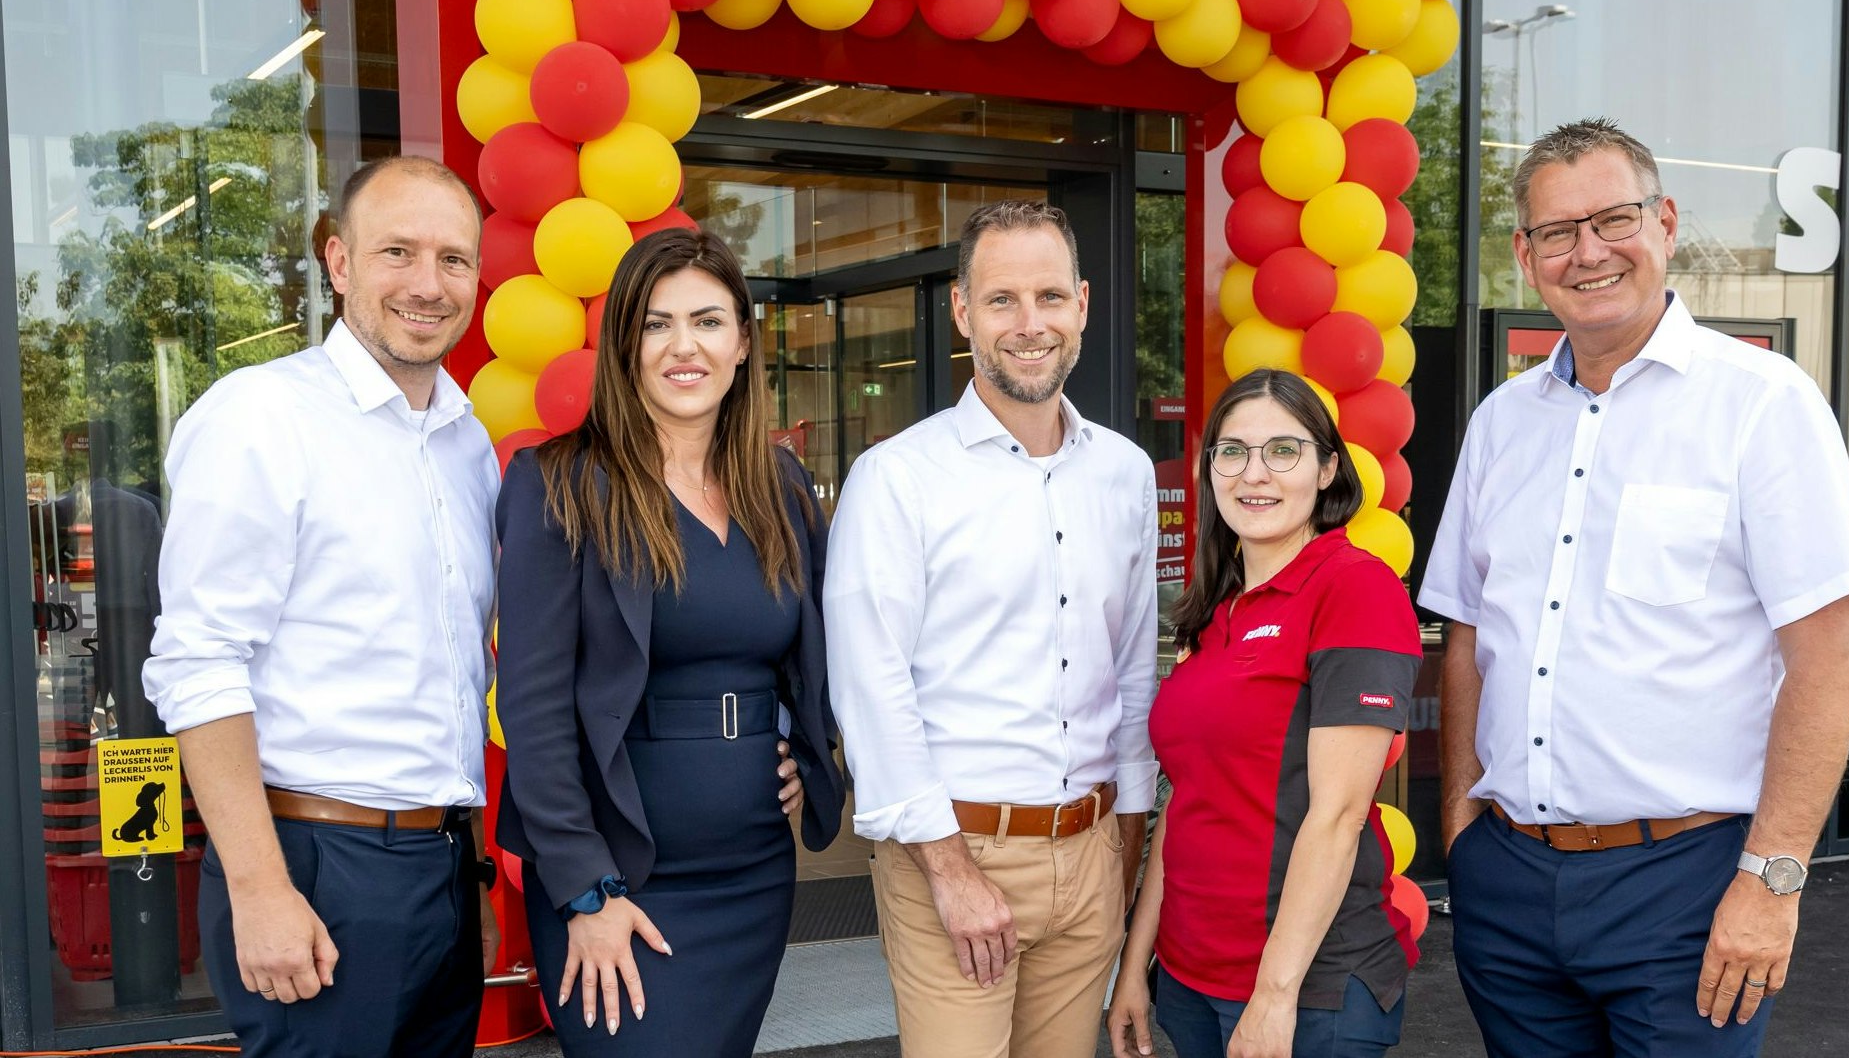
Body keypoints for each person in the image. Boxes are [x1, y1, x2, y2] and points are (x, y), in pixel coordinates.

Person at [1420, 118, 1849, 1058]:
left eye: (1613, 219)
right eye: (1557, 231)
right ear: (1525, 256)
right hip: (1508, 882)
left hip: (1686, 881)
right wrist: (1462, 829)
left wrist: (1772, 879)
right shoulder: (1500, 422)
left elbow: (1831, 656)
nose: (1588, 252)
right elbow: (1468, 636)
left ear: (1664, 223)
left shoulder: (1761, 402)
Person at [143, 155, 502, 1057]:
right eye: (397, 252)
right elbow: (198, 660)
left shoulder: (466, 444)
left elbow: (462, 671)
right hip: (312, 865)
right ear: (339, 262)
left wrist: (463, 870)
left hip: (442, 866)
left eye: (453, 259)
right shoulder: (262, 416)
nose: (428, 284)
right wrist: (261, 888)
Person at [492, 226, 844, 1055]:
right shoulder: (559, 483)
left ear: (742, 342)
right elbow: (533, 709)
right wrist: (584, 890)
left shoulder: (782, 485)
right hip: (619, 881)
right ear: (624, 343)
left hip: (752, 872)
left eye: (707, 321)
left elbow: (808, 657)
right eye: (656, 324)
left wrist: (802, 749)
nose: (683, 346)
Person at [825, 198, 1159, 1057]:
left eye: (1048, 296)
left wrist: (1125, 843)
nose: (1028, 323)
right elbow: (871, 691)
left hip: (1090, 850)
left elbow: (1129, 672)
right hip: (955, 850)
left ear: (1081, 304)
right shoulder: (896, 477)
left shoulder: (1123, 472)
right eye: (1001, 299)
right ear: (962, 311)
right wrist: (949, 870)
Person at [1108, 370, 1420, 1058]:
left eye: (1283, 450)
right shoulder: (1216, 611)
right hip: (1188, 976)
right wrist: (1135, 964)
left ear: (1327, 469)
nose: (1255, 473)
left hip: (1307, 989)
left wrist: (1274, 996)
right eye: (1233, 451)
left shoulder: (1354, 587)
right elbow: (1187, 800)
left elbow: (1338, 815)